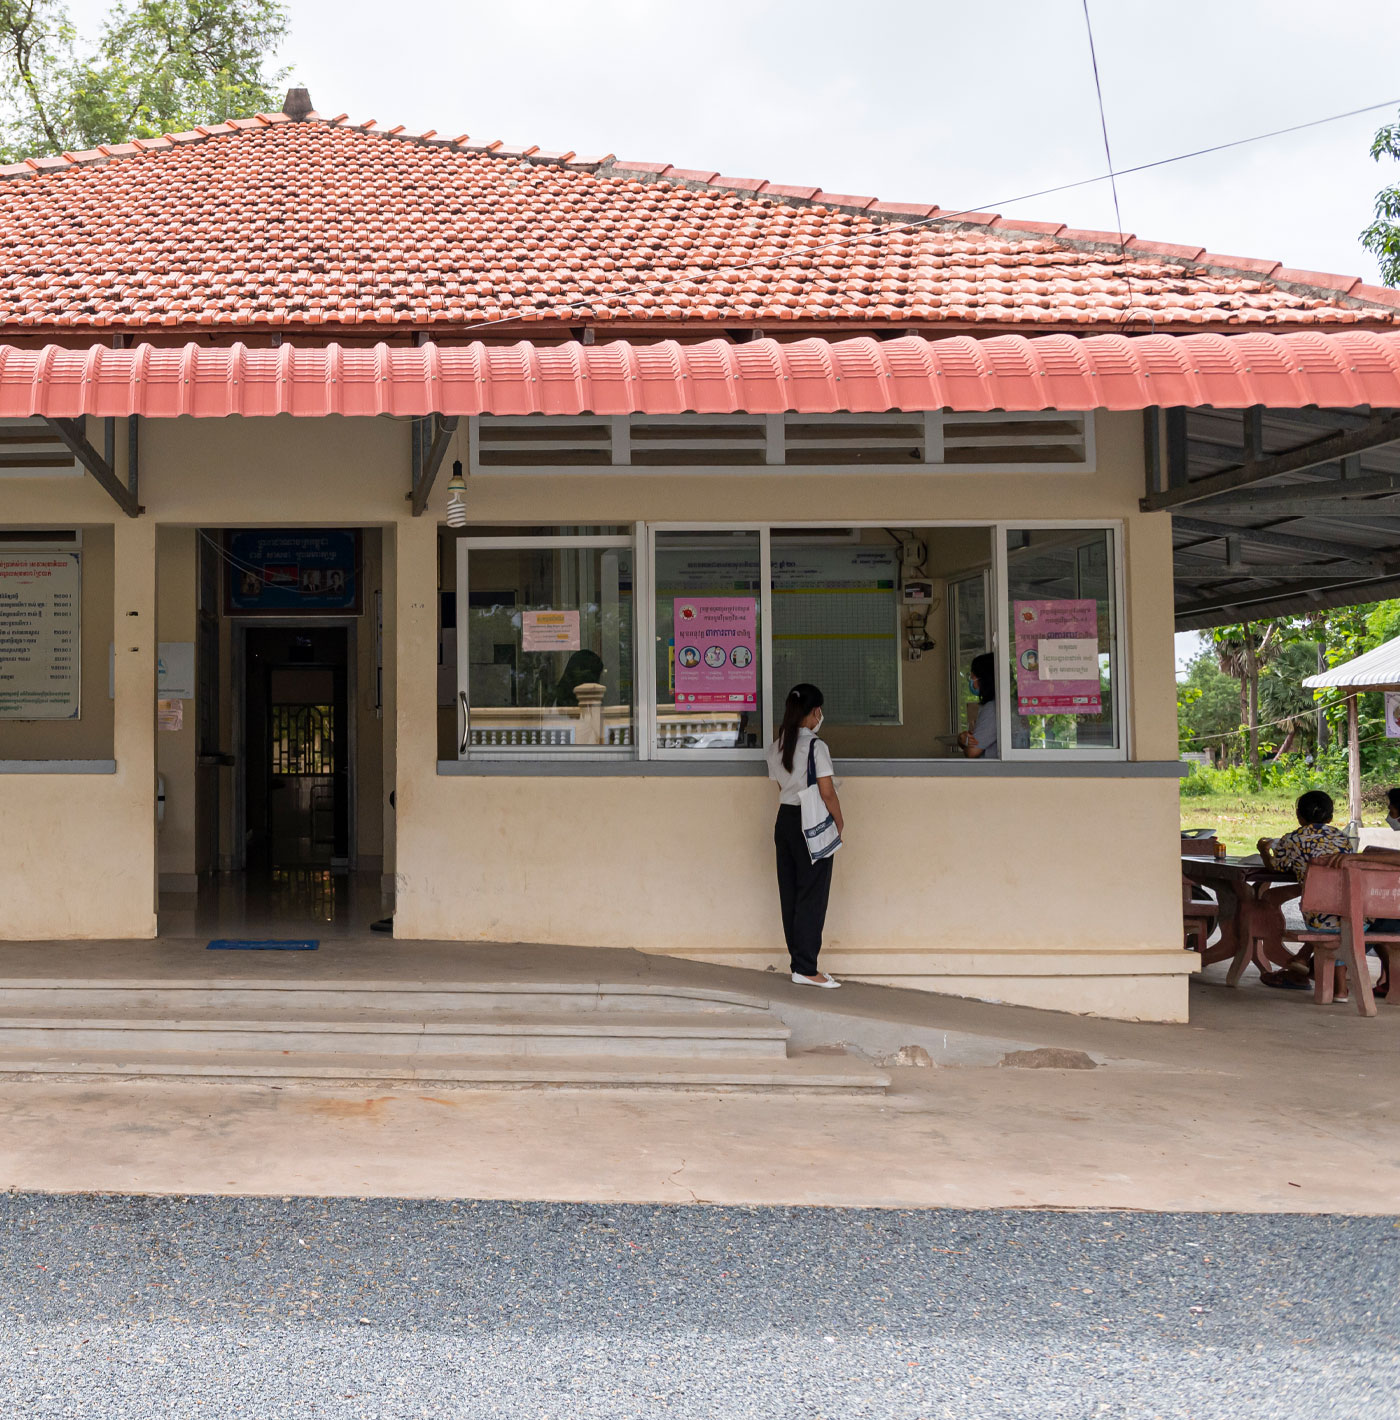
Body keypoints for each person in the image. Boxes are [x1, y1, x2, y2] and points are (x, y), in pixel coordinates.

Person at [1258, 790, 1393, 999]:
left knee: (1326, 919)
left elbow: (1277, 868)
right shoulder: (1343, 839)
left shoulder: (1292, 839)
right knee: (1340, 918)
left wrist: (1263, 851)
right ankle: (1337, 986)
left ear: (1299, 816)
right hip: (1358, 917)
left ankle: (1317, 974)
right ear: (1330, 817)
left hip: (1319, 919)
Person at [766, 683, 843, 988]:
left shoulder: (777, 745)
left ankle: (799, 964)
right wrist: (838, 822)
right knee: (812, 894)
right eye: (819, 710)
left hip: (784, 820)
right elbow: (827, 792)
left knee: (791, 894)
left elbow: (781, 788)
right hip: (810, 821)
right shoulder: (816, 746)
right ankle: (807, 969)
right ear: (814, 712)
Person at [957, 653, 998, 759]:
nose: (972, 684)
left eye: (972, 678)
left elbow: (972, 752)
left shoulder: (992, 709)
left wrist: (962, 741)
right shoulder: (1011, 706)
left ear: (984, 679)